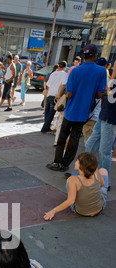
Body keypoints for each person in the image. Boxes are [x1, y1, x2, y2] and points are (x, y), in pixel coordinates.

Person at [46, 44, 107, 173]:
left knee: (63, 137)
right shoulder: (101, 71)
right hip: (84, 112)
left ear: (84, 56)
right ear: (95, 55)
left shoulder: (75, 71)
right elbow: (99, 94)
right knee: (74, 139)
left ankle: (57, 162)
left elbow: (69, 94)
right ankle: (65, 164)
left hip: (71, 111)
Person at [44, 152, 109, 220]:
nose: (75, 162)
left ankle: (74, 193)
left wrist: (53, 211)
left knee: (70, 184)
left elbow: (70, 201)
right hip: (99, 209)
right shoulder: (95, 172)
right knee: (103, 171)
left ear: (81, 165)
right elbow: (102, 184)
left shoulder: (73, 179)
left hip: (81, 212)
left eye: (77, 160)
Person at [85, 63, 116, 190]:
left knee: (104, 152)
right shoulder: (113, 80)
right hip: (105, 116)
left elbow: (110, 93)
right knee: (90, 145)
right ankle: (85, 173)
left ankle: (105, 182)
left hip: (111, 118)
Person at [41, 61, 68, 134]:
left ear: (58, 66)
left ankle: (46, 127)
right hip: (56, 96)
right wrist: (59, 94)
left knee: (47, 112)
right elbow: (63, 84)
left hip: (50, 94)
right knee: (51, 113)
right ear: (65, 67)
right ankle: (45, 129)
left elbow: (48, 85)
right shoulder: (64, 74)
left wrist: (47, 94)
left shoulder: (53, 73)